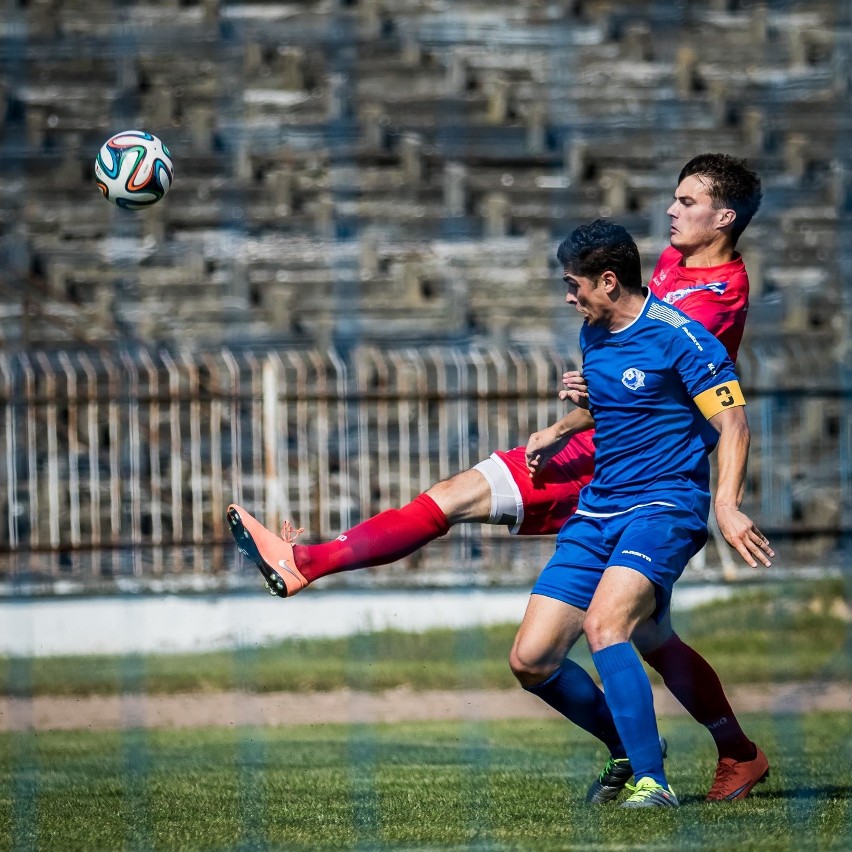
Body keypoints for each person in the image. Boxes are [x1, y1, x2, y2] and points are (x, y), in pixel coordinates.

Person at [228, 153, 770, 801]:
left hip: (637, 467)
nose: (670, 210)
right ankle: (730, 752)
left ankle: (308, 561)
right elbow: (624, 359)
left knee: (590, 606)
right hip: (606, 463)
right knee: (631, 634)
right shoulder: (668, 268)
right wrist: (576, 407)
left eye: (686, 202)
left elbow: (679, 394)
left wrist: (721, 498)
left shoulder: (716, 299)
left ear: (724, 218)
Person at [507, 219, 773, 808]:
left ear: (608, 281)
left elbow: (732, 423)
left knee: (609, 625)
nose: (568, 296)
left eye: (574, 285)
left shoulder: (684, 338)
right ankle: (629, 751)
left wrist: (726, 507)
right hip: (599, 508)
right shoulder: (593, 333)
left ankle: (654, 782)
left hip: (665, 506)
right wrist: (558, 428)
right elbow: (616, 404)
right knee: (530, 660)